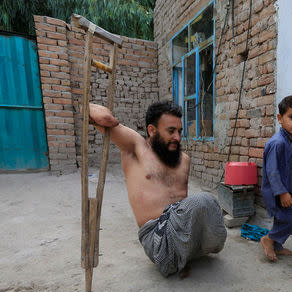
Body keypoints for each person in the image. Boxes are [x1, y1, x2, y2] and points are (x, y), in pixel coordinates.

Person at [88, 102, 227, 277]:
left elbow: (183, 206)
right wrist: (83, 105)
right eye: (171, 131)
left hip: (183, 235)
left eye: (179, 131)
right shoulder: (136, 148)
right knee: (205, 200)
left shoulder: (184, 159)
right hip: (157, 240)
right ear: (152, 130)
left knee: (209, 206)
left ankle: (186, 253)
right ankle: (175, 258)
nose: (177, 137)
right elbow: (103, 118)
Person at [260, 95, 292, 261]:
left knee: (282, 217)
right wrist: (282, 193)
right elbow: (272, 171)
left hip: (287, 186)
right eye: (291, 117)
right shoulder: (278, 143)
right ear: (280, 118)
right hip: (277, 189)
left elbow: (290, 167)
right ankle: (268, 240)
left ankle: (277, 245)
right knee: (290, 218)